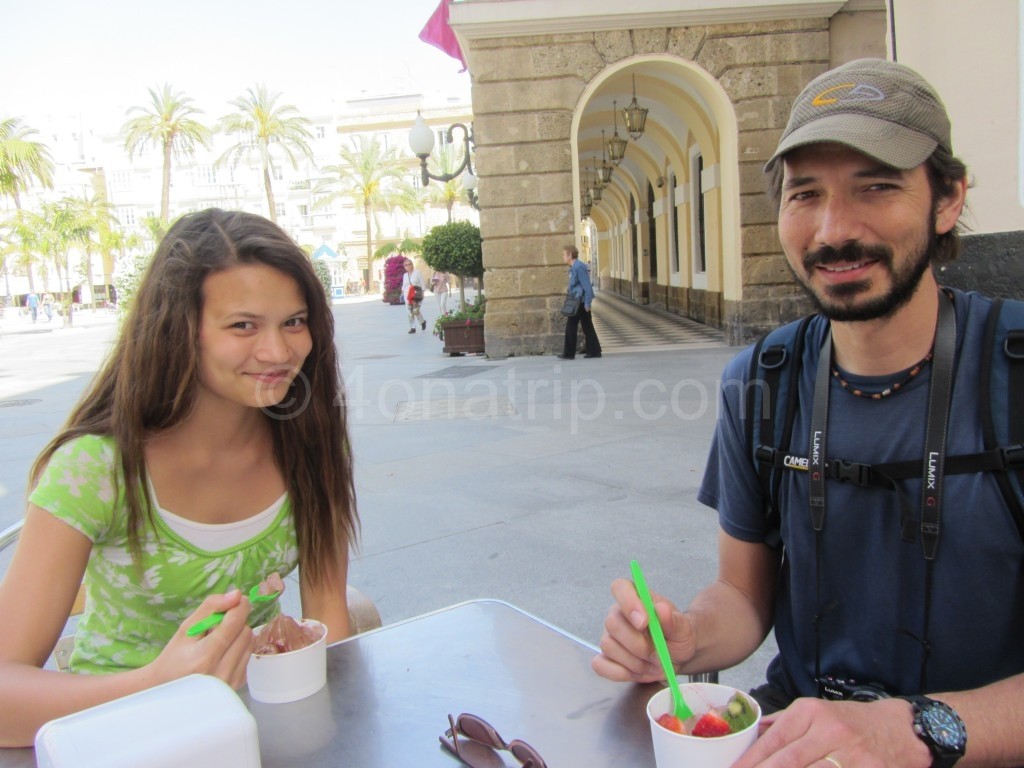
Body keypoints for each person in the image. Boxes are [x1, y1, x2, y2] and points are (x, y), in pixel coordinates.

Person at [594, 59, 1024, 767]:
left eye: (876, 188)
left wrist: (911, 730)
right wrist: (688, 637)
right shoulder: (761, 383)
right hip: (801, 740)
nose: (832, 230)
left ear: (946, 200)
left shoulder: (1011, 374)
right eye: (806, 195)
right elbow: (742, 593)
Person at [0, 209, 358, 747]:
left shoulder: (307, 442)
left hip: (259, 734)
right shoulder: (95, 470)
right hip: (121, 739)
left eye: (294, 321)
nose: (280, 352)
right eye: (243, 325)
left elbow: (327, 615)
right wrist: (158, 684)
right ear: (177, 331)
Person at [558, 245, 601, 359]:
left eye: (564, 255)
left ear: (570, 255)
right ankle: (594, 351)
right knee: (587, 326)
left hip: (580, 302)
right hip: (578, 300)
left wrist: (587, 303)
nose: (563, 257)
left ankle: (569, 353)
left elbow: (587, 286)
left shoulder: (578, 267)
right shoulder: (574, 267)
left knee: (571, 326)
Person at [402, 258, 427, 334]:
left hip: (416, 294)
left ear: (412, 264)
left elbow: (422, 282)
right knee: (409, 312)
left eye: (409, 264)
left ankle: (422, 322)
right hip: (408, 295)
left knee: (415, 310)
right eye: (405, 265)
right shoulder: (405, 275)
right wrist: (402, 294)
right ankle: (413, 327)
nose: (407, 266)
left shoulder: (417, 272)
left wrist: (423, 293)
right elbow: (404, 286)